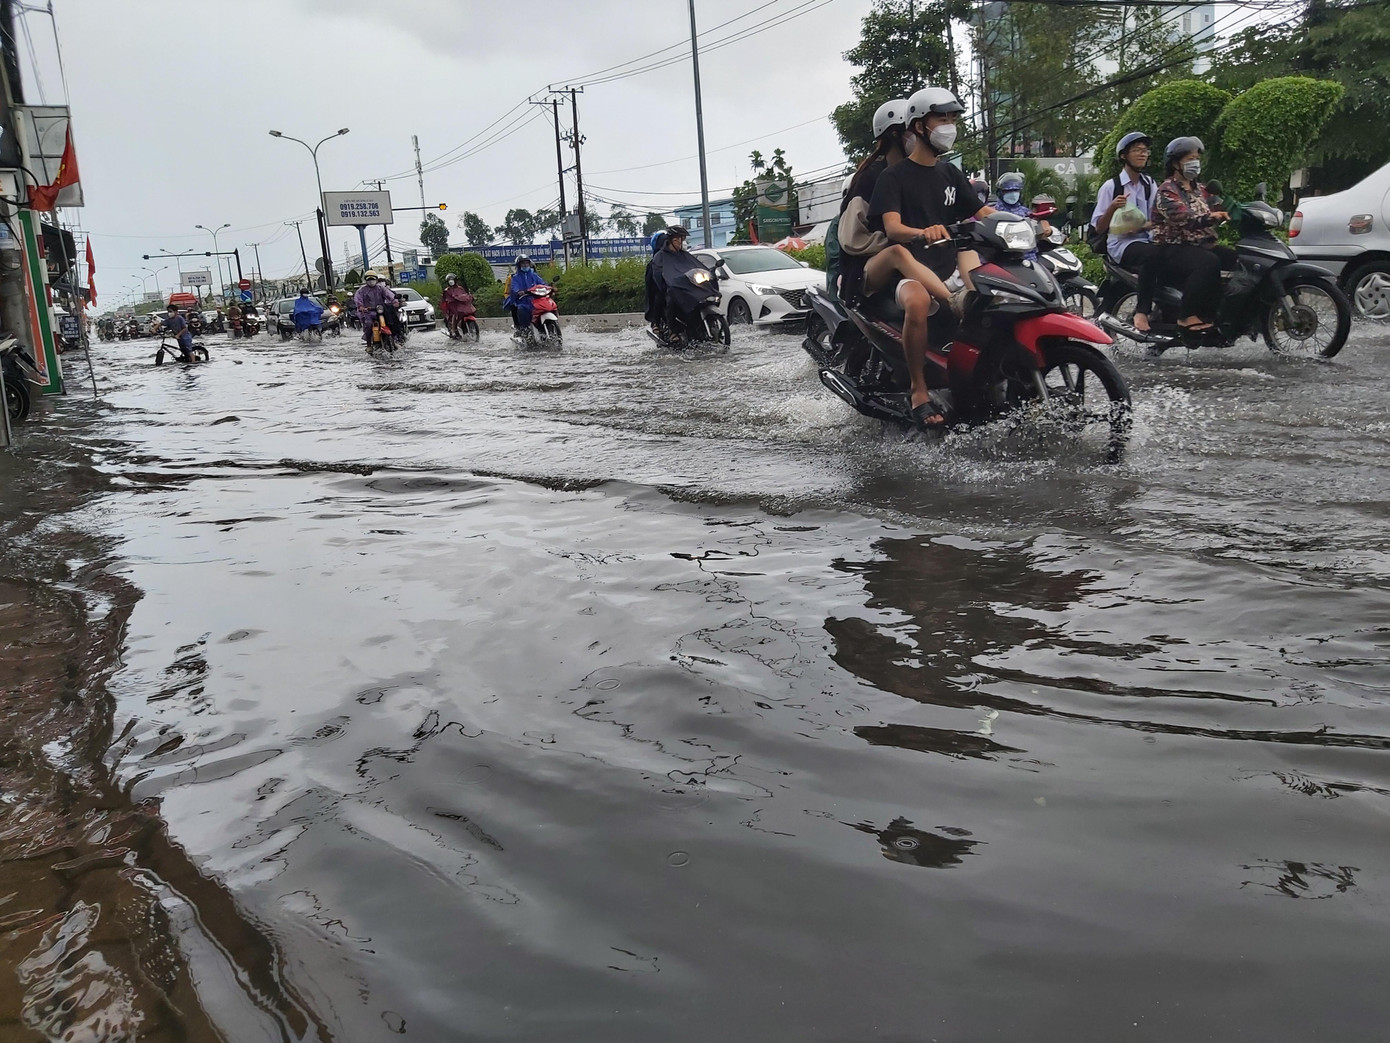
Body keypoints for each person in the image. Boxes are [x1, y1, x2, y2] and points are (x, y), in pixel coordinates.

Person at [866, 84, 995, 427]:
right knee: (919, 301)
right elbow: (892, 228)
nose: (949, 125)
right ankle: (919, 389)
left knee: (989, 280)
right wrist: (923, 232)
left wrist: (1024, 224)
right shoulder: (893, 177)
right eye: (942, 118)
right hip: (909, 271)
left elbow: (982, 214)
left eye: (953, 118)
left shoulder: (950, 173)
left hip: (950, 264)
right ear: (919, 126)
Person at [1138, 137, 1235, 332]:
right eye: (1190, 158)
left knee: (1236, 258)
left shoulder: (1200, 189)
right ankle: (1186, 315)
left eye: (1197, 158)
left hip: (1199, 245)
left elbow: (1220, 204)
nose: (1195, 163)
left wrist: (1238, 210)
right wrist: (1209, 218)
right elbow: (1184, 218)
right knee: (1208, 262)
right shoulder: (1167, 190)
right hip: (1172, 247)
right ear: (1176, 163)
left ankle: (1223, 313)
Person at [835, 97, 911, 303]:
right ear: (895, 135)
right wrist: (902, 239)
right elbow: (852, 238)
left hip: (925, 261)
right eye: (912, 130)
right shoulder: (871, 179)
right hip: (868, 271)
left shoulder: (928, 173)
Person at [1090, 131, 1160, 330]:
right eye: (1137, 150)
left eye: (1145, 150)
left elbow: (1156, 217)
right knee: (1152, 256)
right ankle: (1142, 310)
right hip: (1121, 244)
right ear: (1123, 155)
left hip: (1147, 238)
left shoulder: (1149, 184)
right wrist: (1112, 207)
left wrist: (1146, 225)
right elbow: (1100, 227)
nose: (1142, 154)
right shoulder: (1111, 186)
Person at [649, 225, 709, 345]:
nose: (680, 243)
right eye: (677, 240)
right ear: (671, 240)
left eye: (681, 239)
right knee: (670, 299)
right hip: (669, 287)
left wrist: (706, 272)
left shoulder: (684, 255)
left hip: (685, 287)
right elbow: (658, 273)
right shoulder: (660, 256)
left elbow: (694, 266)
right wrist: (668, 280)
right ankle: (673, 331)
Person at [502, 256, 545, 333]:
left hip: (535, 300)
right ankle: (524, 330)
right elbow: (514, 287)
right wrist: (518, 291)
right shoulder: (515, 277)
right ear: (519, 265)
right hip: (522, 301)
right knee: (521, 310)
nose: (525, 265)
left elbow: (542, 283)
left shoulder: (534, 275)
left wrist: (548, 287)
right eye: (523, 263)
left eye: (527, 263)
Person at [352, 270, 394, 345]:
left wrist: (395, 302)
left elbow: (390, 296)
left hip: (381, 311)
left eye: (373, 279)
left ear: (376, 279)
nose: (371, 281)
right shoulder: (362, 290)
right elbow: (358, 300)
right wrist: (361, 307)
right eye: (369, 279)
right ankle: (369, 344)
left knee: (392, 322)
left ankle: (395, 340)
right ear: (366, 280)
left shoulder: (381, 288)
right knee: (368, 325)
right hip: (368, 313)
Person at [643, 230, 669, 330]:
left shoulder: (678, 256)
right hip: (663, 288)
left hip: (678, 287)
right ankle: (656, 322)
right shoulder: (654, 262)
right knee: (659, 297)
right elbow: (651, 284)